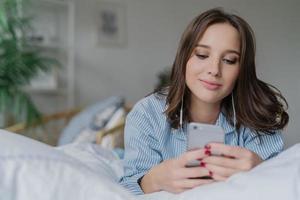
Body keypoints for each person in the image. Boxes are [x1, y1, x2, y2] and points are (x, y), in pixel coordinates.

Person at [119, 8, 289, 195]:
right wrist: (153, 180)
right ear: (184, 58)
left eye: (229, 60)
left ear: (241, 70)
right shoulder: (147, 113)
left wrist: (262, 170)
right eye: (202, 55)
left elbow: (284, 186)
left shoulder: (257, 115)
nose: (214, 70)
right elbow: (126, 189)